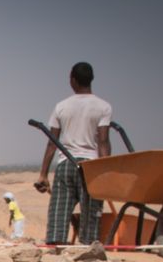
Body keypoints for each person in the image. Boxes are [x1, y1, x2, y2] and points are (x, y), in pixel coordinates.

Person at [33, 61, 112, 246]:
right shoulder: (103, 107)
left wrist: (43, 174)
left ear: (72, 81)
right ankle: (88, 246)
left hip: (66, 165)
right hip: (91, 166)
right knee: (91, 212)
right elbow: (103, 142)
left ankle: (56, 244)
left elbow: (52, 143)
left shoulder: (61, 106)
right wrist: (106, 172)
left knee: (59, 211)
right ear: (91, 80)